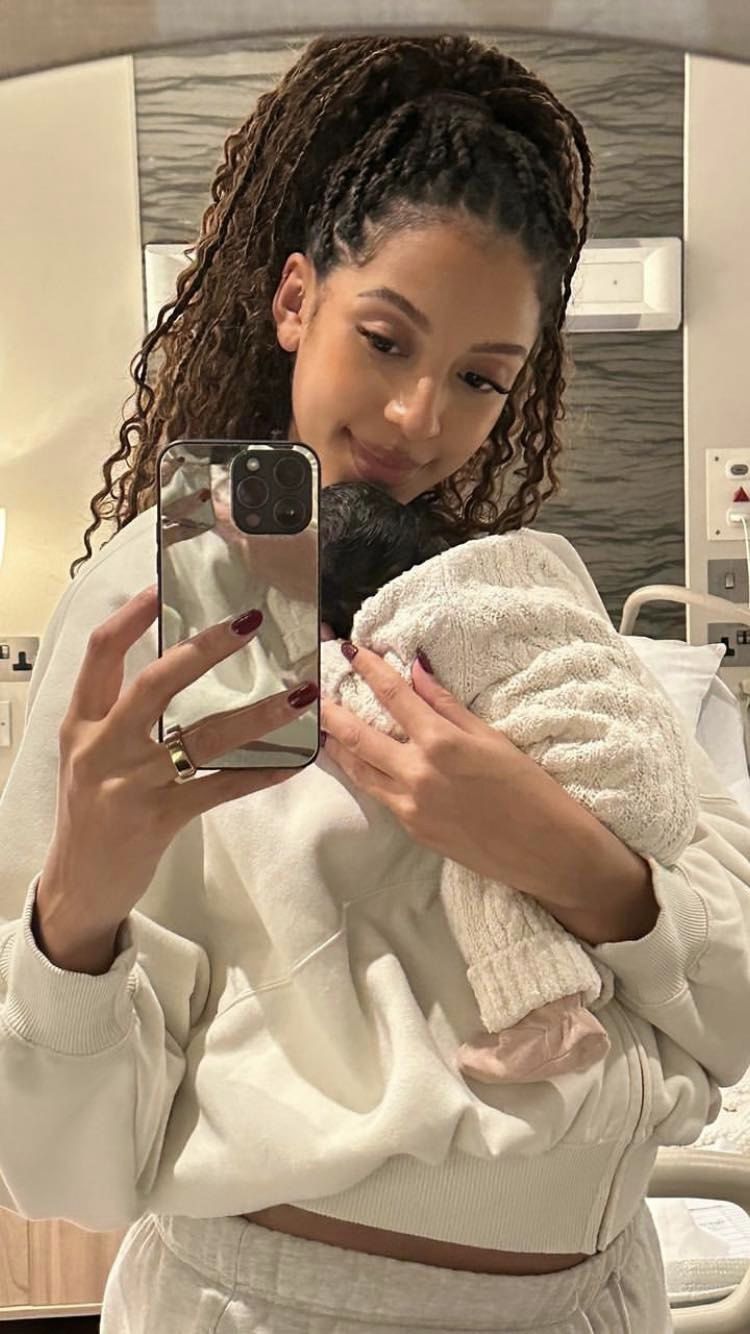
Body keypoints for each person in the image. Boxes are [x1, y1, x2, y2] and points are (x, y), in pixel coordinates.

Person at [1, 32, 749, 1334]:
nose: (418, 418)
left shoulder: (518, 600)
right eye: (386, 339)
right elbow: (61, 1166)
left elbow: (730, 993)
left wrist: (558, 852)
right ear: (296, 301)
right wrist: (78, 913)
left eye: (478, 378)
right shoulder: (170, 599)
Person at [318, 480, 699, 1085]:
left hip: (593, 777)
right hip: (661, 778)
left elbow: (386, 719)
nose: (417, 429)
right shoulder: (515, 572)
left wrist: (326, 674)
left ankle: (548, 1018)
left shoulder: (411, 629)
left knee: (476, 863)